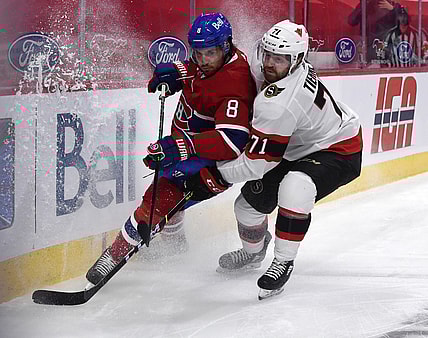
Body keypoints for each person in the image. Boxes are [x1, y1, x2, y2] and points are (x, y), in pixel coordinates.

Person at [185, 20, 363, 299]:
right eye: (266, 54)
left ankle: (282, 261)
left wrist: (217, 175)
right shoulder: (273, 71)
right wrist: (182, 71)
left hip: (338, 148)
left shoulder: (280, 103)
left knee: (295, 187)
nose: (269, 63)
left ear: (296, 61)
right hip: (296, 146)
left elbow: (259, 164)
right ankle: (252, 254)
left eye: (278, 59)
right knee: (246, 208)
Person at [85, 12, 257, 285]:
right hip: (186, 150)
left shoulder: (234, 85)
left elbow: (231, 141)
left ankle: (113, 255)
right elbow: (198, 71)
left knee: (157, 200)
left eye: (209, 53)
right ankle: (176, 247)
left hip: (210, 163)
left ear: (226, 46)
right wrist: (180, 72)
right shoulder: (216, 61)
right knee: (168, 198)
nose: (202, 60)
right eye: (196, 53)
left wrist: (182, 145)